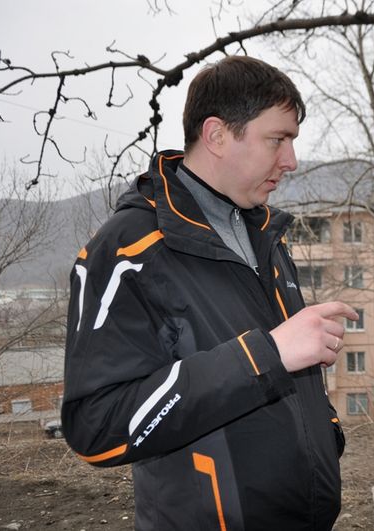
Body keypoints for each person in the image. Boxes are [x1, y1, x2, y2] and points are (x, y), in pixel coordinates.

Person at [62, 55, 358, 531]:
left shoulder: (266, 235)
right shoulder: (128, 250)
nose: (291, 161)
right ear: (217, 135)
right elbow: (96, 427)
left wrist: (325, 429)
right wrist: (264, 356)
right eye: (277, 140)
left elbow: (282, 370)